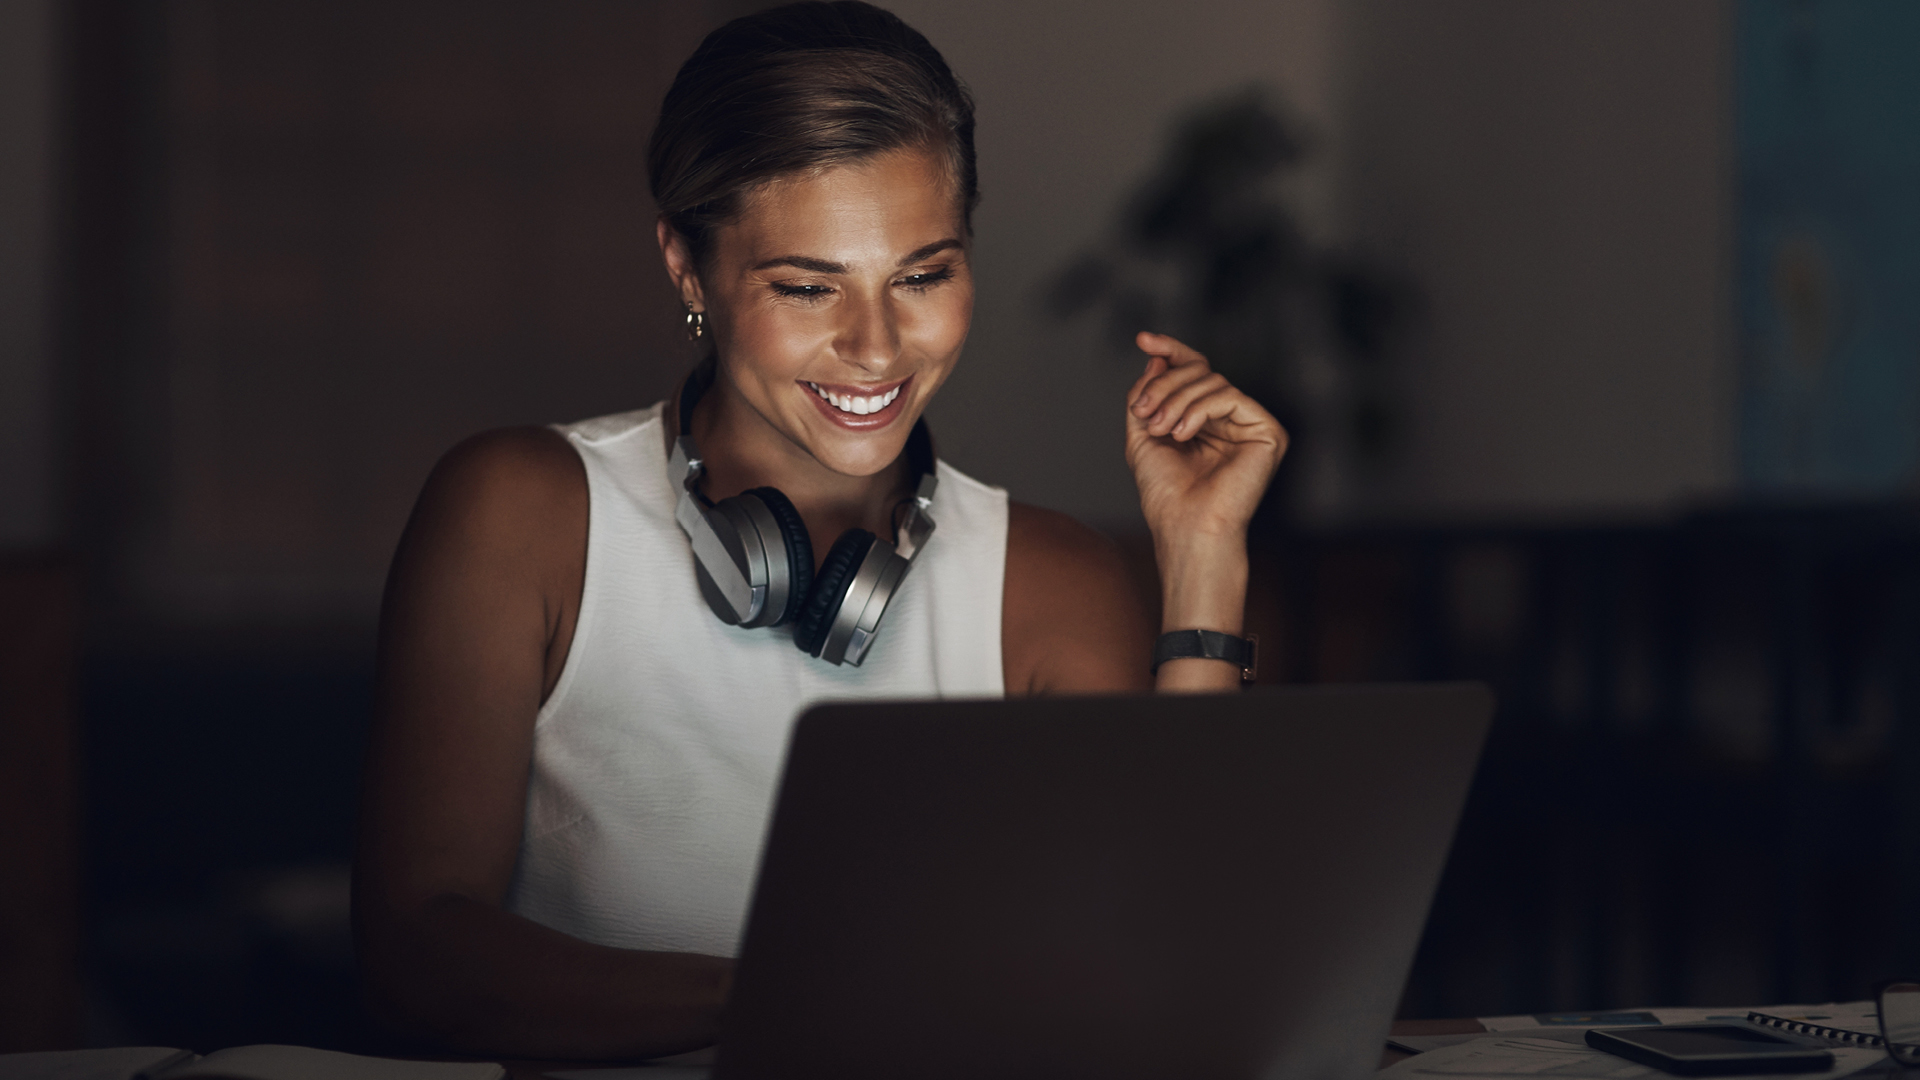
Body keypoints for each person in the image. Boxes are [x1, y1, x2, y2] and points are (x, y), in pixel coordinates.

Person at [352, 0, 1287, 1061]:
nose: (877, 347)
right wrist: (808, 994)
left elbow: (1171, 977)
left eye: (923, 275)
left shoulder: (1053, 580)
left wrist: (1206, 556)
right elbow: (415, 953)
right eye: (806, 286)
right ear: (686, 267)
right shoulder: (518, 512)